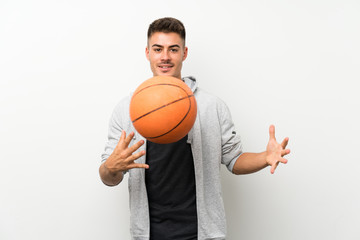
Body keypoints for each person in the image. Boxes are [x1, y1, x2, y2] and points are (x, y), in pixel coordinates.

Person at [99, 17, 290, 240]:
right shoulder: (127, 109)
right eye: (158, 49)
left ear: (184, 53)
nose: (165, 57)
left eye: (173, 49)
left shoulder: (212, 106)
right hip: (149, 234)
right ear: (147, 53)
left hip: (203, 234)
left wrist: (265, 157)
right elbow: (108, 176)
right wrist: (111, 167)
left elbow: (234, 160)